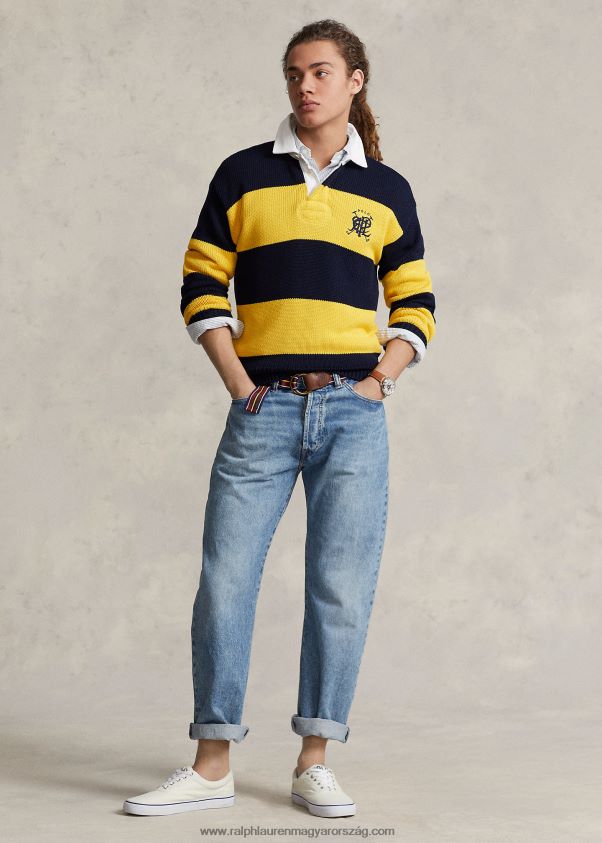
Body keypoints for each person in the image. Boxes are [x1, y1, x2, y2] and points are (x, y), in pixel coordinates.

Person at [123, 18, 436, 819]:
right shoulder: (242, 174)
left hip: (352, 412)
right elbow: (201, 281)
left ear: (355, 81)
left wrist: (380, 383)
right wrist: (236, 381)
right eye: (295, 72)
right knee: (225, 580)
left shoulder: (387, 190)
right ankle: (212, 763)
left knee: (340, 587)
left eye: (321, 71)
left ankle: (314, 761)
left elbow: (415, 300)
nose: (305, 85)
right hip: (261, 408)